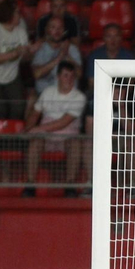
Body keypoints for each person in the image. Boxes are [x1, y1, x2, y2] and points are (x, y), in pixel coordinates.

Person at [23, 61, 89, 196]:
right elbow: (35, 113)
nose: (69, 79)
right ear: (58, 77)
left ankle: (70, 186)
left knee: (75, 144)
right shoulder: (48, 92)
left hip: (67, 136)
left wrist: (38, 129)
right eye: (66, 75)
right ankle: (30, 185)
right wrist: (28, 129)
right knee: (35, 142)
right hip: (46, 137)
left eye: (72, 76)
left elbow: (63, 122)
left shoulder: (79, 97)